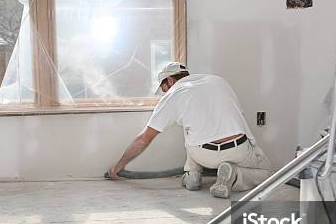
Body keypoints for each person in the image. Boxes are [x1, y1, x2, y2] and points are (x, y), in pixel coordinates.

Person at [108, 62, 272, 199]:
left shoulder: (172, 96)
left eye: (164, 88)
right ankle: (234, 175)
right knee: (267, 172)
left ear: (170, 81)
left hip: (201, 154)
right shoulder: (218, 81)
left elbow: (143, 139)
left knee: (191, 129)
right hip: (237, 150)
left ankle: (192, 176)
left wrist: (118, 166)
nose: (164, 92)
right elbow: (238, 114)